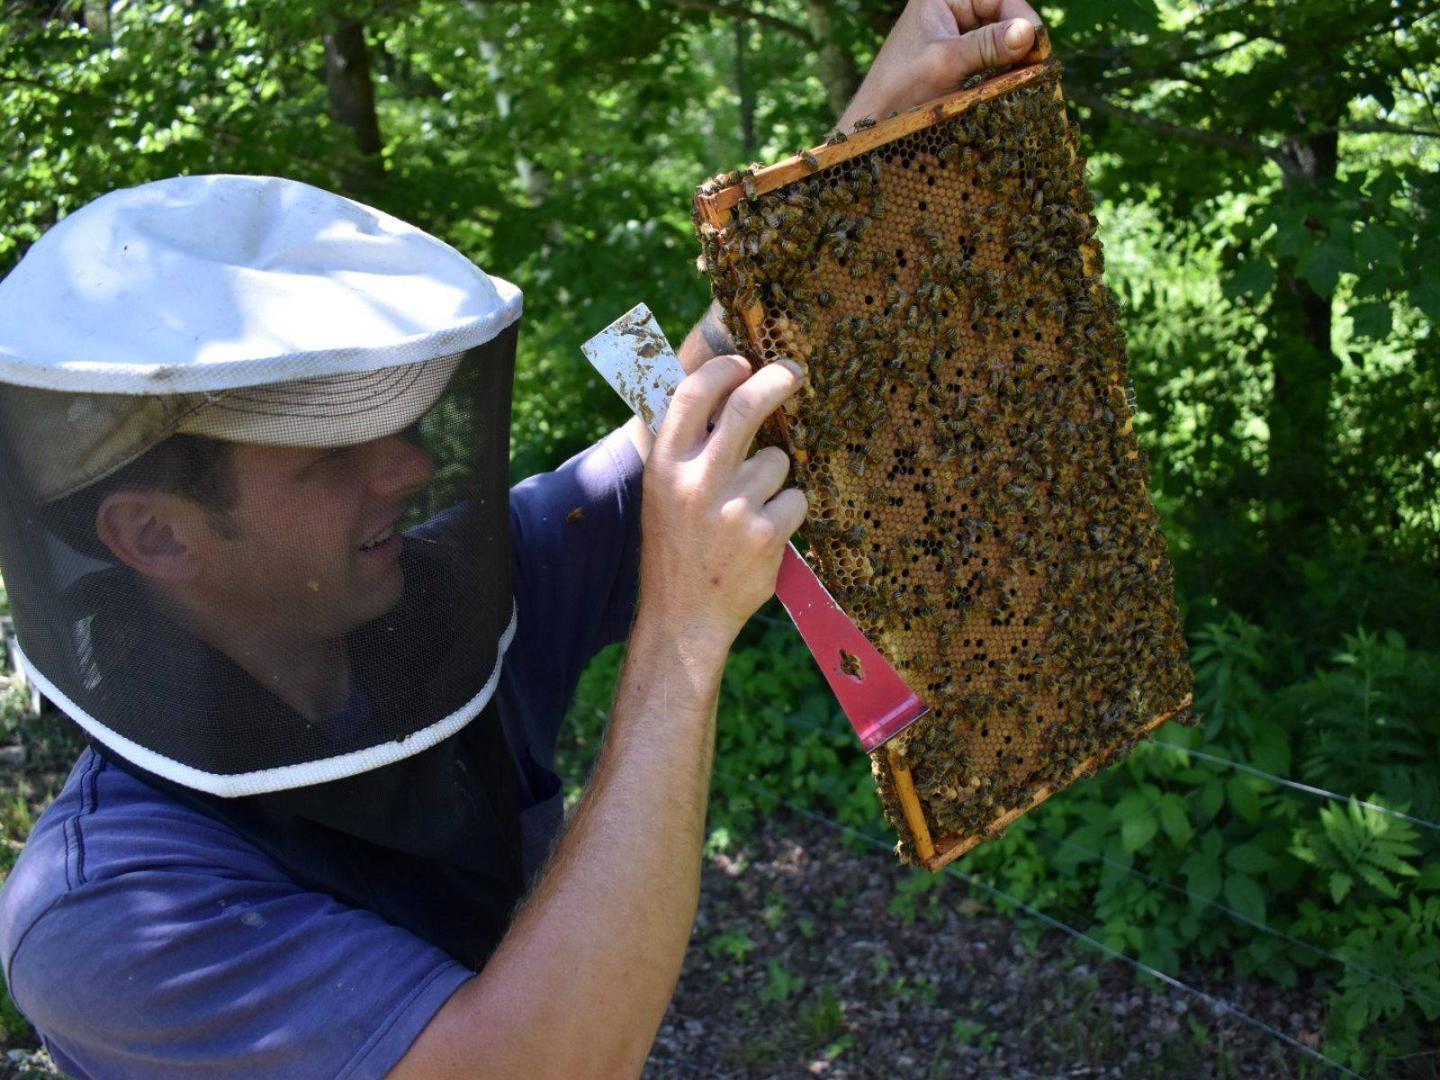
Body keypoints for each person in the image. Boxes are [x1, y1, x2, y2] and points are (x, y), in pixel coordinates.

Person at [0, 3, 1041, 1076]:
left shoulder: (438, 597)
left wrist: (864, 137)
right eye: (329, 457)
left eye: (402, 426)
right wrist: (683, 636)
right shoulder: (106, 915)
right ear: (156, 536)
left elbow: (667, 436)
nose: (408, 471)